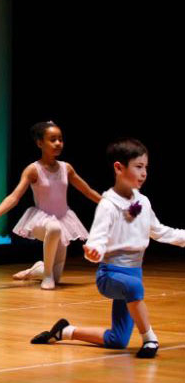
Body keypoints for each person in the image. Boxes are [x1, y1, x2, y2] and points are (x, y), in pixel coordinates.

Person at [31, 138, 185, 359]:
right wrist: (94, 251)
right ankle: (150, 339)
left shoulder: (144, 202)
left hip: (133, 275)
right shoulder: (108, 205)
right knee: (134, 287)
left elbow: (160, 231)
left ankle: (65, 331)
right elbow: (98, 238)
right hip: (110, 275)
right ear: (119, 168)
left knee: (118, 340)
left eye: (146, 167)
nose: (144, 173)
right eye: (138, 167)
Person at [0, 121, 100, 289]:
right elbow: (14, 197)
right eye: (53, 139)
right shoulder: (33, 170)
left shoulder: (66, 168)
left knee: (58, 276)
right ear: (40, 143)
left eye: (60, 139)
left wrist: (112, 204)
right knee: (54, 229)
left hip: (63, 219)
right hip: (41, 221)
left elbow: (88, 191)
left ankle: (36, 271)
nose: (58, 143)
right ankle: (47, 276)